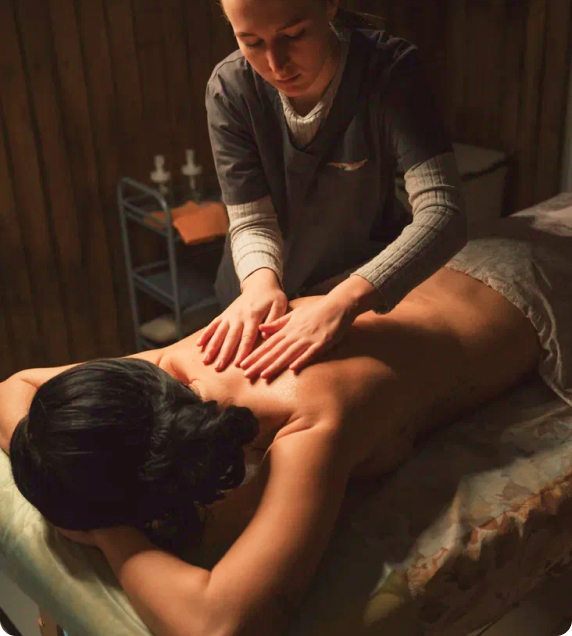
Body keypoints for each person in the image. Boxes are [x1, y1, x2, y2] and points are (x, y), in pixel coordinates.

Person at [2, 195, 572, 636]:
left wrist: (106, 530)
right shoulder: (174, 371)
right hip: (447, 277)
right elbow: (12, 389)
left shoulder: (310, 418)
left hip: (531, 287)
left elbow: (219, 625)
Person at [199, 0, 468, 383]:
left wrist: (344, 300)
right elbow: (252, 221)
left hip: (359, 286)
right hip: (255, 287)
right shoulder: (231, 89)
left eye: (293, 35)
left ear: (331, 0)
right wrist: (260, 286)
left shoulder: (388, 72)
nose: (276, 63)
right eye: (251, 41)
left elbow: (444, 213)